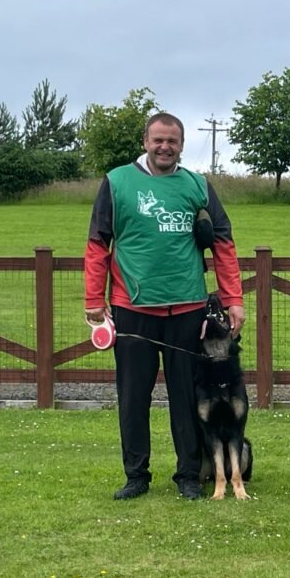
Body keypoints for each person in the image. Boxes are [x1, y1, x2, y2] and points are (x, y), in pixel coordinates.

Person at [84, 112, 245, 500]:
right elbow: (97, 244)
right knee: (133, 398)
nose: (164, 147)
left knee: (188, 399)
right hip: (133, 310)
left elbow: (223, 243)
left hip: (187, 310)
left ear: (181, 145)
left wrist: (233, 298)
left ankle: (189, 475)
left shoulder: (197, 186)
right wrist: (94, 299)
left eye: (172, 141)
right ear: (145, 141)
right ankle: (136, 475)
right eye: (158, 139)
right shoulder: (117, 182)